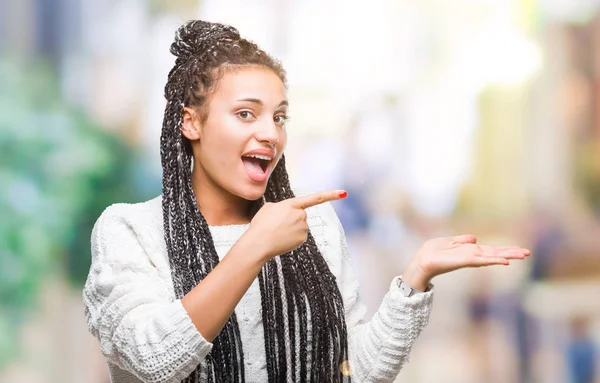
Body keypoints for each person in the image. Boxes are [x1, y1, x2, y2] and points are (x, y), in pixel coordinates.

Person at [82, 20, 531, 383]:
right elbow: (153, 362)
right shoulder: (129, 231)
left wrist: (415, 279)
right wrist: (254, 247)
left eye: (279, 116)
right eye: (245, 113)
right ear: (191, 123)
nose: (270, 132)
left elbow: (354, 371)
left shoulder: (311, 226)